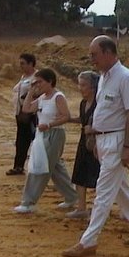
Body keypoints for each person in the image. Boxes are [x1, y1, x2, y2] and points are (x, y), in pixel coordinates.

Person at [62, 36, 129, 257]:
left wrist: (127, 147)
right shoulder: (103, 77)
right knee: (121, 188)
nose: (91, 59)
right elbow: (102, 110)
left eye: (94, 54)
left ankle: (88, 241)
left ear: (108, 52)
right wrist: (95, 136)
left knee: (103, 192)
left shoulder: (125, 78)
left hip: (116, 140)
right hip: (104, 140)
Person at [12, 68, 79, 214]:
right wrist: (31, 90)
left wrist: (49, 125)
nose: (38, 85)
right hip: (43, 135)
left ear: (50, 81)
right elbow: (27, 108)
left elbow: (65, 116)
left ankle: (29, 202)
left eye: (40, 82)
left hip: (54, 134)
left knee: (40, 167)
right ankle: (72, 196)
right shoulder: (43, 98)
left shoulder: (58, 97)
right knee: (55, 168)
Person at [67, 71, 101, 220]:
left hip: (97, 144)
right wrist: (67, 119)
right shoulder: (83, 103)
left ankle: (97, 208)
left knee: (98, 176)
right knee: (80, 173)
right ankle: (81, 207)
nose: (80, 88)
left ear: (93, 87)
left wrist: (93, 129)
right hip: (84, 142)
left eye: (83, 85)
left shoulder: (99, 103)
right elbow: (82, 119)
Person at [6, 53, 37, 176]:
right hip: (20, 114)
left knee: (34, 140)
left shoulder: (36, 77)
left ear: (31, 64)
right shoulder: (24, 77)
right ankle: (18, 166)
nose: (21, 66)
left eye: (23, 63)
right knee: (21, 141)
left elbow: (39, 92)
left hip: (32, 114)